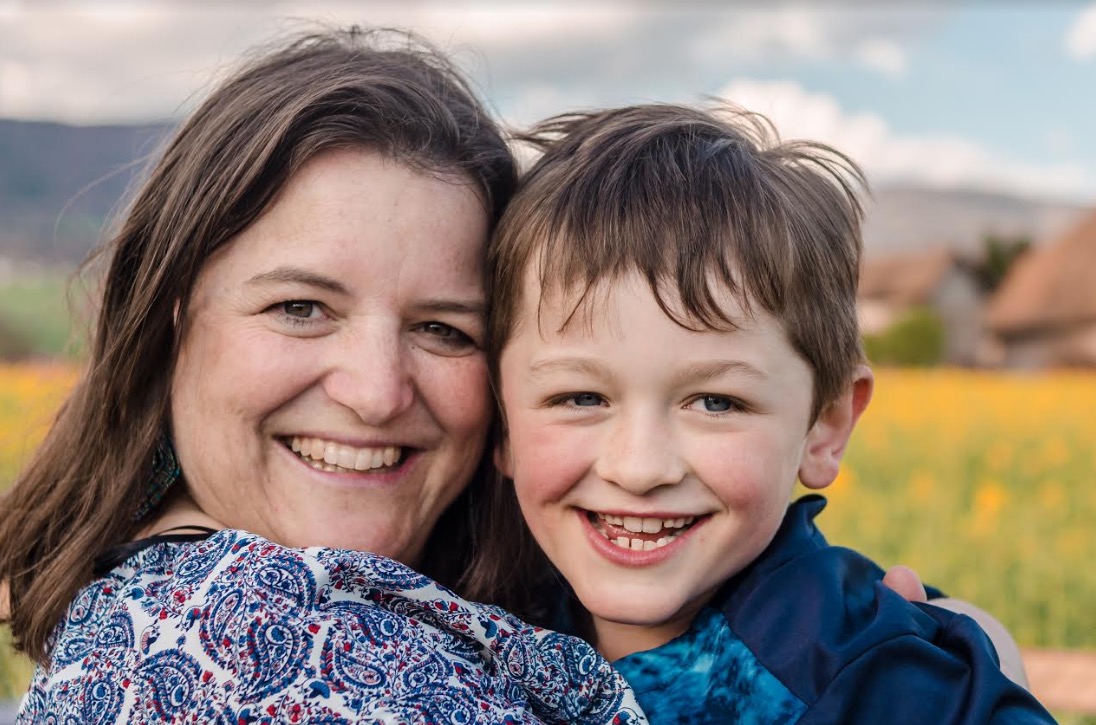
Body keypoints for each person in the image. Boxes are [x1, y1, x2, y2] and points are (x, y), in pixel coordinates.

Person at [0, 28, 643, 723]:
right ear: (169, 326)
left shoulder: (127, 607)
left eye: (443, 329)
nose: (374, 393)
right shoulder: (292, 666)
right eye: (300, 307)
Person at [478, 103, 1054, 722]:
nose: (639, 468)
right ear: (502, 418)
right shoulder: (496, 615)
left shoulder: (862, 678)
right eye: (581, 398)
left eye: (717, 402)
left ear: (825, 427)